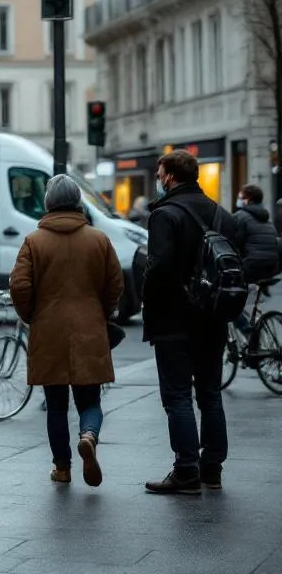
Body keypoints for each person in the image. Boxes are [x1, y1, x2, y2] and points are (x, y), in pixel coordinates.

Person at [9, 174, 123, 488]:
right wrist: (101, 311)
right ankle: (88, 435)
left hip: (49, 330)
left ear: (48, 203)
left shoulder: (34, 241)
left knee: (56, 405)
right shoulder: (98, 239)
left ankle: (62, 468)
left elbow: (19, 285)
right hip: (90, 327)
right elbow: (116, 284)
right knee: (90, 401)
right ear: (77, 201)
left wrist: (32, 314)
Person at [143, 150, 235, 495]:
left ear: (169, 177)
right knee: (210, 393)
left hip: (174, 319)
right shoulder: (220, 213)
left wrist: (148, 302)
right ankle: (212, 467)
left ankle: (186, 470)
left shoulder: (165, 215)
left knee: (178, 395)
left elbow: (160, 266)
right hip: (212, 317)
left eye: (159, 171)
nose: (157, 177)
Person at [233, 184, 280, 334]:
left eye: (241, 197)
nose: (239, 200)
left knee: (227, 301)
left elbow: (235, 244)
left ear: (247, 199)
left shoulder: (240, 217)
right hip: (272, 267)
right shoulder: (267, 219)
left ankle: (246, 330)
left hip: (252, 266)